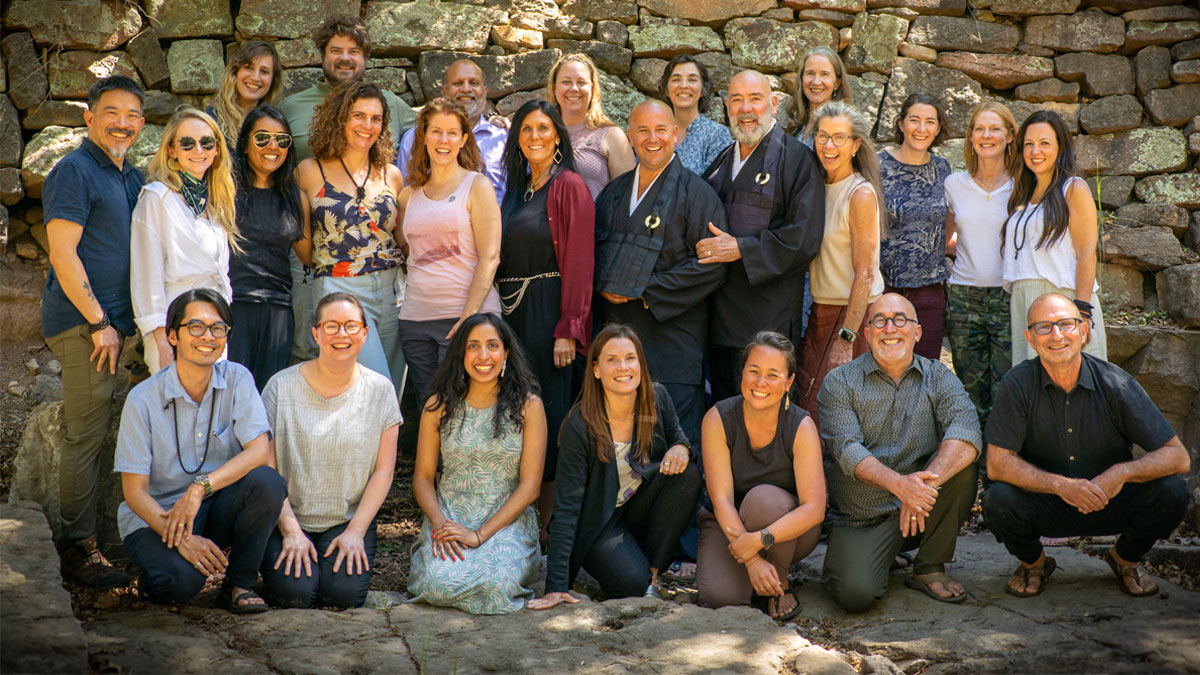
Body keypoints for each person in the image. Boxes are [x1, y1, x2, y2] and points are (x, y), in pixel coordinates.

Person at [982, 293, 1191, 598]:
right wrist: (1060, 485)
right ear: (1029, 338)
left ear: (1083, 331)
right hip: (1048, 503)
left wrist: (1119, 474)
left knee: (1172, 491)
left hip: (1110, 499)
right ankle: (1035, 563)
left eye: (1066, 324)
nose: (1056, 335)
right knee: (997, 499)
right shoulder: (1017, 384)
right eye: (1044, 327)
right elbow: (998, 463)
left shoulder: (1115, 383)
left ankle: (1125, 559)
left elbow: (1178, 457)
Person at [114, 288, 286, 613]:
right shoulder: (143, 400)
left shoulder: (237, 379)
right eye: (195, 326)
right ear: (172, 336)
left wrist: (199, 487)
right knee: (180, 584)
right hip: (157, 517)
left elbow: (259, 450)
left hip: (213, 506)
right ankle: (160, 574)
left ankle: (239, 584)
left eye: (217, 328)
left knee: (267, 482)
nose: (207, 336)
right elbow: (134, 493)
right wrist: (182, 539)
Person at [42, 75, 146, 588]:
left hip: (120, 327)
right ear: (90, 116)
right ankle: (77, 550)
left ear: (142, 124)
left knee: (114, 432)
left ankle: (108, 538)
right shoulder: (74, 171)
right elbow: (62, 254)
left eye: (131, 115)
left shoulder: (132, 176)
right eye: (111, 112)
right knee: (85, 435)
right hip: (86, 327)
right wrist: (99, 322)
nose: (122, 123)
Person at [819, 293, 982, 612]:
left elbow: (967, 431)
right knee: (856, 595)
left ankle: (929, 567)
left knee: (962, 463)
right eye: (879, 320)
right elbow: (847, 449)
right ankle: (879, 553)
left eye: (900, 320)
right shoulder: (839, 383)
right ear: (867, 333)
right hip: (861, 518)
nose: (889, 328)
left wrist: (920, 489)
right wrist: (900, 486)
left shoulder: (938, 377)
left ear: (917, 332)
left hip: (923, 509)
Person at [530, 325, 702, 608]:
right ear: (596, 369)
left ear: (640, 363)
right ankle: (626, 570)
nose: (623, 367)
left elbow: (681, 441)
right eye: (612, 360)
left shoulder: (657, 398)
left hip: (639, 510)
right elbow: (567, 507)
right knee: (630, 584)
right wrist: (556, 586)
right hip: (598, 523)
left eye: (630, 358)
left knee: (688, 474)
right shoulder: (580, 426)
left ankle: (655, 578)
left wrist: (681, 449)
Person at [280, 14, 417, 364]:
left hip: (389, 284)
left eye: (353, 51)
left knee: (388, 382)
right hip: (327, 267)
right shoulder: (292, 109)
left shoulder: (391, 119)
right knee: (322, 357)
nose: (367, 125)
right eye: (336, 50)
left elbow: (435, 134)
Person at [595, 100, 728, 447]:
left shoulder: (699, 194)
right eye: (643, 131)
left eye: (660, 130)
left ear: (675, 134)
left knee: (676, 443)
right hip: (620, 341)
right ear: (630, 137)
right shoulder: (613, 192)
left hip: (674, 341)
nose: (652, 139)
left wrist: (643, 289)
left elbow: (711, 268)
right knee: (620, 441)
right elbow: (594, 253)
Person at [260, 292, 401, 609]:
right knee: (294, 595)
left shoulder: (380, 390)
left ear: (365, 333)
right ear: (316, 333)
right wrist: (291, 531)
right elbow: (267, 472)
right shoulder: (280, 387)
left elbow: (383, 471)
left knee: (343, 596)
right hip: (288, 517)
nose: (342, 334)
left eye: (351, 326)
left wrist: (356, 531)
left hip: (347, 520)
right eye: (332, 326)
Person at [497, 99, 594, 536]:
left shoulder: (568, 185)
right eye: (526, 130)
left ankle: (552, 529)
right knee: (518, 410)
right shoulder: (518, 191)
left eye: (542, 128)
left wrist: (569, 328)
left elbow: (580, 262)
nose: (534, 136)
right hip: (511, 317)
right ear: (517, 139)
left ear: (557, 135)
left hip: (549, 312)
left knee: (551, 413)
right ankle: (521, 519)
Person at [407, 313, 546, 614]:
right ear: (461, 354)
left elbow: (531, 487)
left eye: (493, 345)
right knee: (438, 584)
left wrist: (479, 535)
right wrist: (440, 522)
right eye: (473, 346)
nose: (484, 356)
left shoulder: (529, 406)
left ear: (506, 353)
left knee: (496, 587)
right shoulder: (438, 405)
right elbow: (423, 477)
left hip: (506, 520)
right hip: (450, 515)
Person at [700, 70, 825, 404]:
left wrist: (741, 248)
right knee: (726, 408)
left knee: (768, 410)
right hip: (721, 315)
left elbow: (804, 238)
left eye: (755, 99)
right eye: (737, 100)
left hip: (768, 316)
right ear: (726, 106)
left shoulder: (797, 159)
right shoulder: (722, 160)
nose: (746, 109)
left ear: (773, 103)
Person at [697, 332, 824, 620]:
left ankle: (779, 582)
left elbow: (815, 508)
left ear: (789, 382)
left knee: (764, 500)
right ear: (742, 372)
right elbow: (722, 501)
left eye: (772, 375)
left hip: (787, 530)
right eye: (753, 371)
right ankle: (755, 576)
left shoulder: (801, 425)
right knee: (720, 598)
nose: (761, 383)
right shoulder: (717, 418)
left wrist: (759, 541)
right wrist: (752, 560)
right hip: (728, 524)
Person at [294, 80, 407, 402]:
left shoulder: (392, 175)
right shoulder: (309, 172)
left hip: (392, 293)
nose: (367, 126)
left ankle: (383, 454)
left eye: (376, 118)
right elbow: (303, 249)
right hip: (339, 290)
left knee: (392, 392)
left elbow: (401, 239)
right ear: (340, 118)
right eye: (359, 116)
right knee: (374, 390)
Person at [397, 98, 502, 403]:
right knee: (430, 411)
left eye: (452, 133)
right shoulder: (408, 196)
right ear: (424, 137)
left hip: (467, 318)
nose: (444, 140)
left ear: (463, 140)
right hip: (415, 321)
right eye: (436, 132)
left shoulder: (477, 186)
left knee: (469, 411)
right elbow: (409, 251)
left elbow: (490, 256)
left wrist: (468, 318)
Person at [795, 102, 885, 427]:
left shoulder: (859, 194)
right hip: (820, 314)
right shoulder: (818, 187)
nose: (828, 146)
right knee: (809, 407)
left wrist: (846, 338)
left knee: (837, 417)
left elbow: (866, 273)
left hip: (853, 317)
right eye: (822, 136)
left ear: (855, 144)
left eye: (839, 138)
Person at [131, 106, 240, 375]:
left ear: (217, 151)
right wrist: (162, 340)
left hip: (214, 323)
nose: (198, 150)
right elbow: (146, 275)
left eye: (206, 142)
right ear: (171, 150)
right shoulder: (157, 197)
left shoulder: (216, 204)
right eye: (187, 143)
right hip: (173, 322)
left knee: (212, 409)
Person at [1002, 110, 1106, 366]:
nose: (1035, 151)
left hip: (1063, 304)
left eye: (1044, 143)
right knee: (1034, 391)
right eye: (1029, 144)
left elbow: (1085, 253)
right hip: (1025, 301)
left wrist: (1081, 311)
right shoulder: (1022, 195)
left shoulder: (1073, 188)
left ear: (1060, 147)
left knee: (1074, 390)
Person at [944, 102, 1020, 430]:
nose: (986, 135)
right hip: (963, 299)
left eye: (994, 128)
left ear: (1010, 136)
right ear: (971, 137)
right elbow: (947, 240)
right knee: (971, 395)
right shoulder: (954, 184)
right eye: (979, 129)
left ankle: (1000, 473)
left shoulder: (1023, 184)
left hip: (1007, 297)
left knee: (1006, 390)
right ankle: (972, 472)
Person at [227, 105, 305, 391]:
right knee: (230, 398)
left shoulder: (294, 195)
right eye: (262, 138)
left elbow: (308, 257)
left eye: (282, 140)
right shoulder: (225, 190)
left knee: (267, 402)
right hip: (233, 308)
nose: (273, 146)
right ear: (245, 145)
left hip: (278, 312)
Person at [877, 93, 952, 361]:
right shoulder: (877, 165)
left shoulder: (943, 169)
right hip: (885, 289)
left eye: (930, 122)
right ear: (900, 124)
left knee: (925, 370)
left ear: (938, 128)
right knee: (884, 368)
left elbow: (948, 221)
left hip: (929, 291)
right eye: (914, 120)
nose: (922, 129)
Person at [397, 59, 508, 202]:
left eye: (474, 83)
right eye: (458, 83)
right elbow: (404, 196)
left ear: (484, 92)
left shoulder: (503, 139)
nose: (466, 89)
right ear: (443, 92)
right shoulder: (413, 139)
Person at [546, 52, 635, 199]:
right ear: (554, 88)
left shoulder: (611, 136)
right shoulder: (538, 133)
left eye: (581, 82)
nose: (574, 88)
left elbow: (627, 201)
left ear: (592, 89)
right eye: (566, 82)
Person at [658, 54, 731, 176]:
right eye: (676, 79)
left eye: (692, 80)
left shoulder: (716, 135)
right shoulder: (655, 133)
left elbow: (716, 188)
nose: (684, 85)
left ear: (703, 89)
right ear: (666, 90)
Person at [209, 40, 283, 149]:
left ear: (273, 80)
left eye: (264, 71)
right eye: (248, 67)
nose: (255, 77)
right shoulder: (211, 122)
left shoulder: (275, 125)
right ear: (235, 72)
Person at [786, 46, 853, 149]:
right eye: (810, 73)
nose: (816, 82)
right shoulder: (796, 127)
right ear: (801, 79)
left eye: (824, 74)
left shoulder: (844, 127)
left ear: (837, 83)